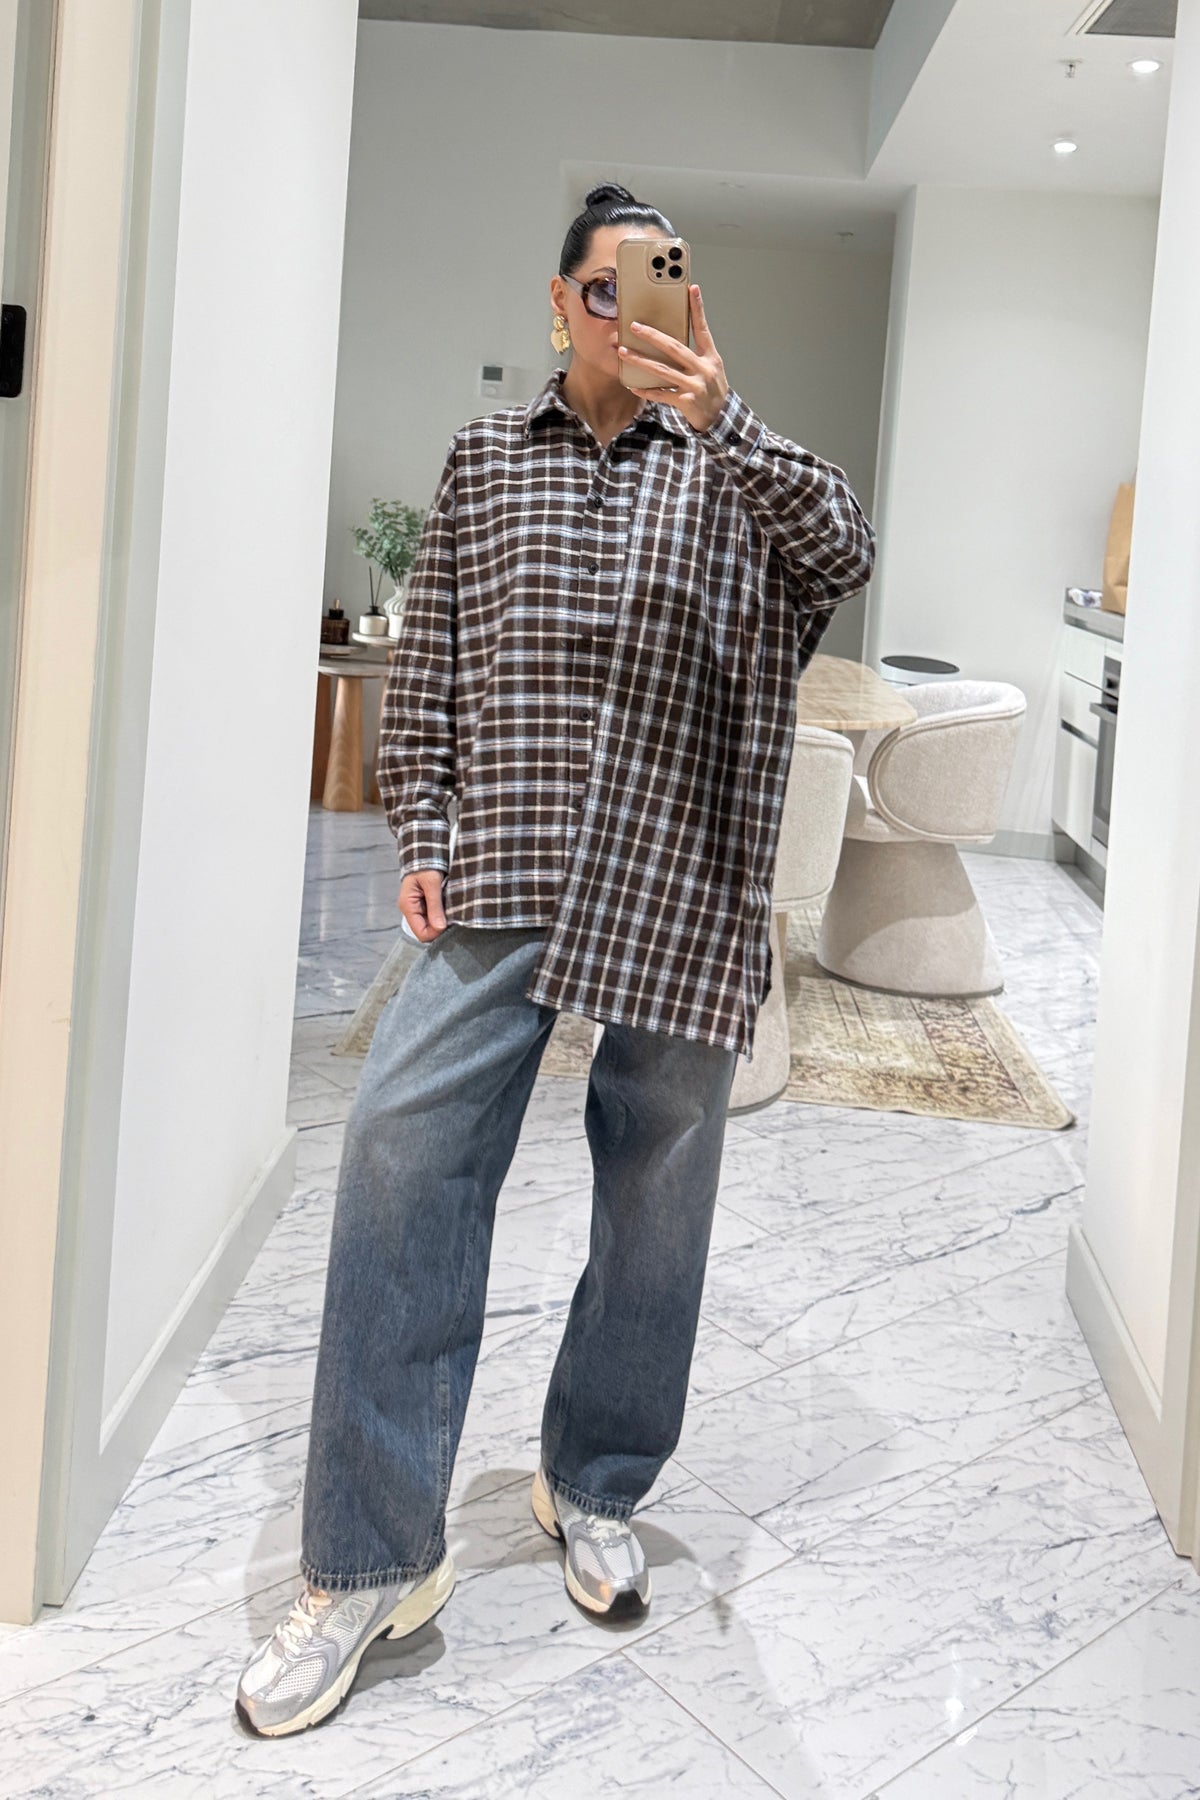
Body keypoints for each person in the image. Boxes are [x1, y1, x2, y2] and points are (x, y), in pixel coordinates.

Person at [235, 183, 875, 1738]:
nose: (629, 311)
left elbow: (845, 549)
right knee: (400, 1153)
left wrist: (726, 419)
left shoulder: (732, 468)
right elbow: (433, 666)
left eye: (660, 285)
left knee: (659, 1194)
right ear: (557, 302)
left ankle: (594, 1482)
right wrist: (424, 826)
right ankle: (374, 1558)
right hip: (509, 863)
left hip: (677, 876)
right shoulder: (484, 462)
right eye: (604, 288)